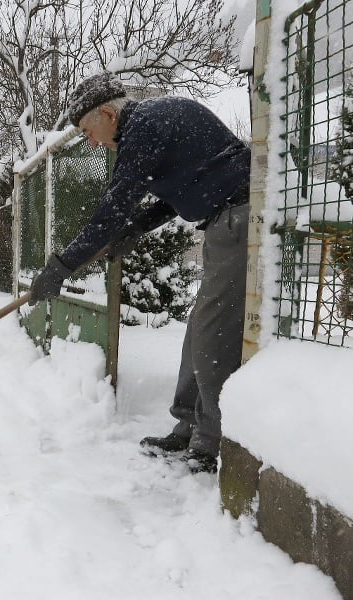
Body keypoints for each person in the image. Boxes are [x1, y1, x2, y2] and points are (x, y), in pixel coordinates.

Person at [29, 72, 251, 474]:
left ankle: (210, 444)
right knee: (200, 333)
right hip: (225, 222)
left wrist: (62, 266)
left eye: (87, 130)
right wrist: (136, 228)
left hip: (239, 219)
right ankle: (188, 426)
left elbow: (114, 206)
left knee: (212, 335)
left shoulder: (145, 126)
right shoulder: (150, 123)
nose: (91, 141)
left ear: (109, 115)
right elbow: (176, 192)